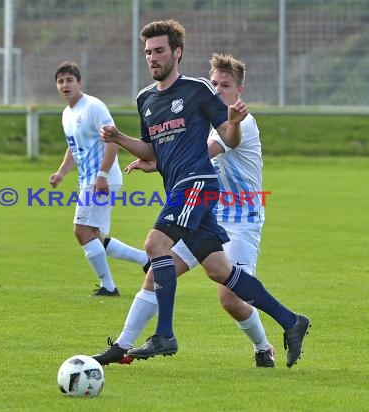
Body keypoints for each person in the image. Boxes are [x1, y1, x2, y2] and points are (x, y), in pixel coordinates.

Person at [98, 20, 310, 368]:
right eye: (214, 83)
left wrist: (230, 123)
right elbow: (159, 147)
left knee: (168, 256)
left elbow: (215, 145)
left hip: (235, 213)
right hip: (205, 206)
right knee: (188, 271)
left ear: (238, 91)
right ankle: (290, 321)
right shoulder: (155, 102)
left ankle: (176, 336)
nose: (217, 89)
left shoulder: (238, 119)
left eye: (224, 85)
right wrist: (129, 143)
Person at [49, 61, 149, 296]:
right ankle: (146, 260)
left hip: (101, 179)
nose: (65, 85)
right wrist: (62, 172)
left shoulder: (93, 107)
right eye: (61, 81)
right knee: (94, 235)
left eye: (69, 80)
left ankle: (109, 287)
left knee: (81, 231)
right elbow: (74, 147)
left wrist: (102, 175)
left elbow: (112, 140)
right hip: (90, 180)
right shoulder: (67, 114)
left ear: (79, 83)